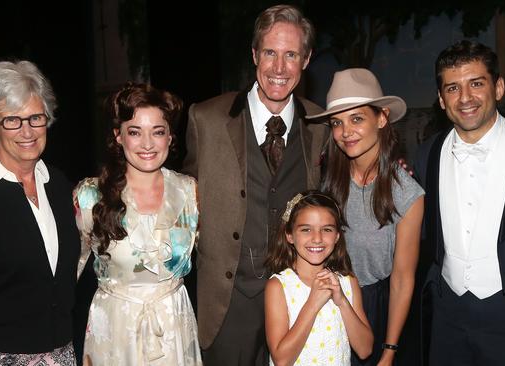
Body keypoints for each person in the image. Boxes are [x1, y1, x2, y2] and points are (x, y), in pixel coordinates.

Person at [181, 4, 329, 365]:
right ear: (254, 55)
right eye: (270, 53)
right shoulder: (207, 119)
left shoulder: (321, 127)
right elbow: (184, 200)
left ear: (306, 59)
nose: (279, 68)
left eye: (291, 55)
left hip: (299, 301)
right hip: (228, 308)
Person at [414, 39, 505, 365]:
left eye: (476, 83)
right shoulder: (427, 153)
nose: (465, 98)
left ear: (498, 87)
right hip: (447, 315)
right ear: (442, 100)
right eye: (453, 88)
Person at [74, 83, 201, 365]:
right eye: (135, 132)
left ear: (170, 137)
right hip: (115, 332)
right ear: (118, 136)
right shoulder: (89, 196)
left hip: (173, 329)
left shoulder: (190, 192)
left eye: (158, 131)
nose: (147, 144)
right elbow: (67, 270)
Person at [307, 68, 424, 365]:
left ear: (381, 118)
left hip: (374, 311)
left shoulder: (406, 193)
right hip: (321, 301)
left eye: (357, 118)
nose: (346, 132)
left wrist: (389, 350)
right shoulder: (326, 182)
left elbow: (402, 279)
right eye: (337, 122)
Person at [0, 61, 79, 364]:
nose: (27, 131)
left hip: (60, 354)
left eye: (35, 117)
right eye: (13, 121)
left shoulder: (58, 185)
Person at [265, 190, 373, 365]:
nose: (317, 238)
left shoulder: (347, 282)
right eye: (306, 229)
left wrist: (342, 302)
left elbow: (365, 349)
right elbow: (282, 360)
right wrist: (313, 303)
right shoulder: (279, 286)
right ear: (290, 235)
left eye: (327, 229)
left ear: (337, 236)